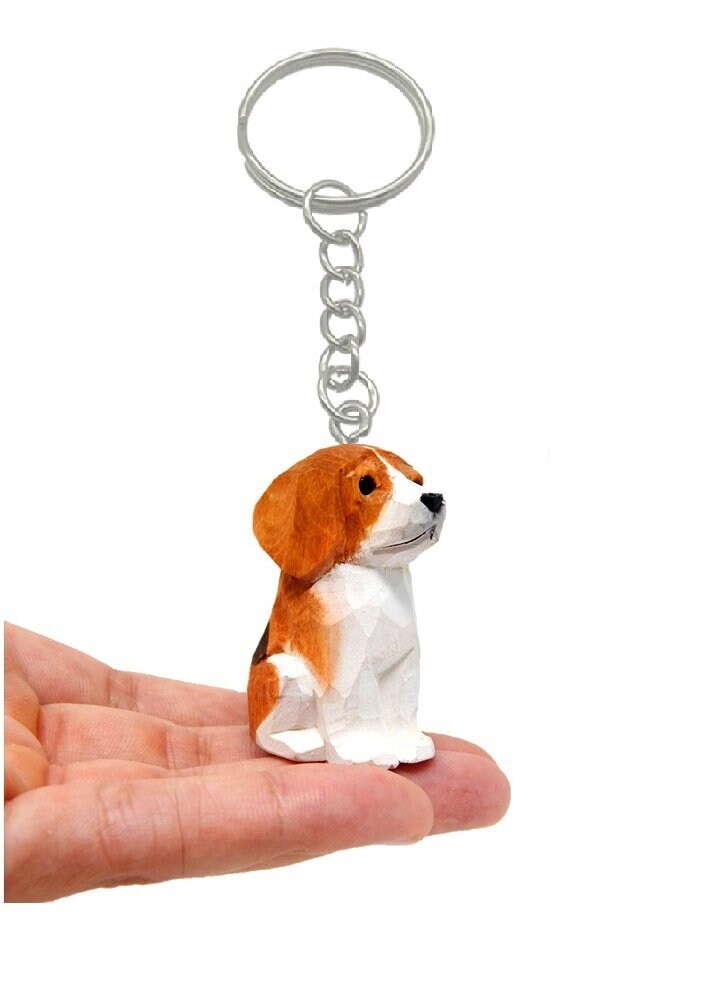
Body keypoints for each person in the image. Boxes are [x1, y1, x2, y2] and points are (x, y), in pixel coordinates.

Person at [4, 623, 510, 902]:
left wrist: (394, 726)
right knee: (317, 670)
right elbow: (336, 665)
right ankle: (328, 733)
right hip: (298, 708)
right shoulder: (332, 590)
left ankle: (383, 729)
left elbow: (394, 662)